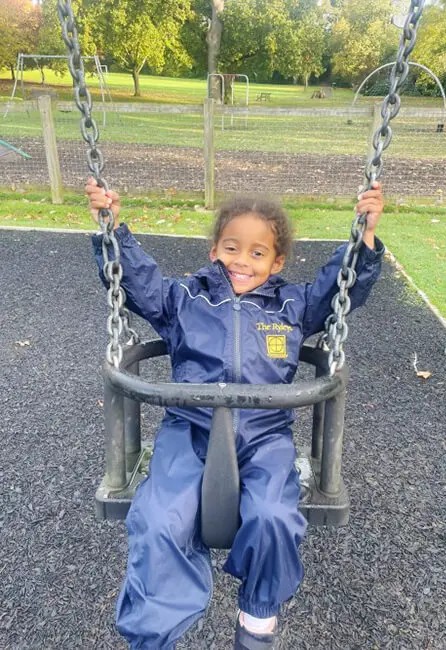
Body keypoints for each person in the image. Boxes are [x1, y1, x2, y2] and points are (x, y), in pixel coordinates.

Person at [87, 178, 385, 650]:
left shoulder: (293, 306)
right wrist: (112, 228)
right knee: (159, 518)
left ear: (278, 261)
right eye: (232, 247)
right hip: (190, 430)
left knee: (274, 518)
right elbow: (137, 283)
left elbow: (337, 291)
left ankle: (256, 622)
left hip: (266, 437)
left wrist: (364, 238)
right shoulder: (185, 300)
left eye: (258, 252)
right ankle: (151, 635)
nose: (242, 261)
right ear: (213, 250)